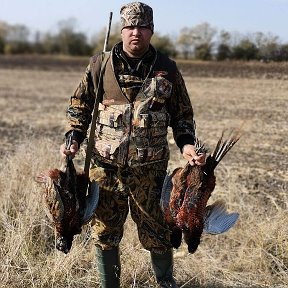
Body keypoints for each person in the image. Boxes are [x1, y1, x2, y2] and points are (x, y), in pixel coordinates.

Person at [60, 2, 205, 287]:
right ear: (121, 30)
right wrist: (74, 138)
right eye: (129, 27)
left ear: (151, 31)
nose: (135, 32)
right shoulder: (99, 65)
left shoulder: (167, 69)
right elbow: (79, 107)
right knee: (105, 232)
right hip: (105, 169)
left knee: (159, 231)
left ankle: (165, 283)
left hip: (149, 170)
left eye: (142, 27)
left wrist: (187, 145)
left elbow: (182, 116)